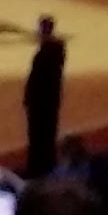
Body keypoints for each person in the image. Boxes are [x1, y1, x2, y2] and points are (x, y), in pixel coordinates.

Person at [23, 16, 68, 177]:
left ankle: (37, 167)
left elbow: (37, 79)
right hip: (50, 99)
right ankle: (46, 163)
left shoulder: (47, 51)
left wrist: (29, 97)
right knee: (47, 133)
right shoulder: (55, 48)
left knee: (38, 135)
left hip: (41, 101)